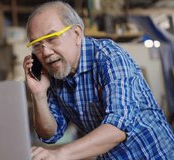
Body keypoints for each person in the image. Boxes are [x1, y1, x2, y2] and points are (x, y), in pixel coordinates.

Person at [22, 1, 174, 160]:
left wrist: (60, 154)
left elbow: (118, 125)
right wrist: (38, 95)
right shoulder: (55, 74)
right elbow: (50, 134)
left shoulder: (109, 57)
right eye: (37, 45)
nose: (45, 52)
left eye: (52, 38)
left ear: (77, 34)